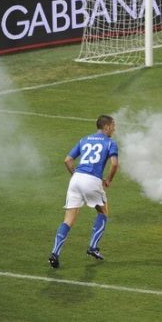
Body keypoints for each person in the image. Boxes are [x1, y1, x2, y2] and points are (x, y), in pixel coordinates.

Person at [48, 115, 119, 268]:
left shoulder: (84, 139)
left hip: (76, 180)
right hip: (92, 180)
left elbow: (67, 160)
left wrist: (75, 175)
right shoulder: (110, 143)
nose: (114, 128)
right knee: (103, 212)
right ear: (106, 127)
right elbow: (114, 164)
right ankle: (93, 247)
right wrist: (109, 180)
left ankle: (55, 253)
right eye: (113, 125)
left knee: (68, 220)